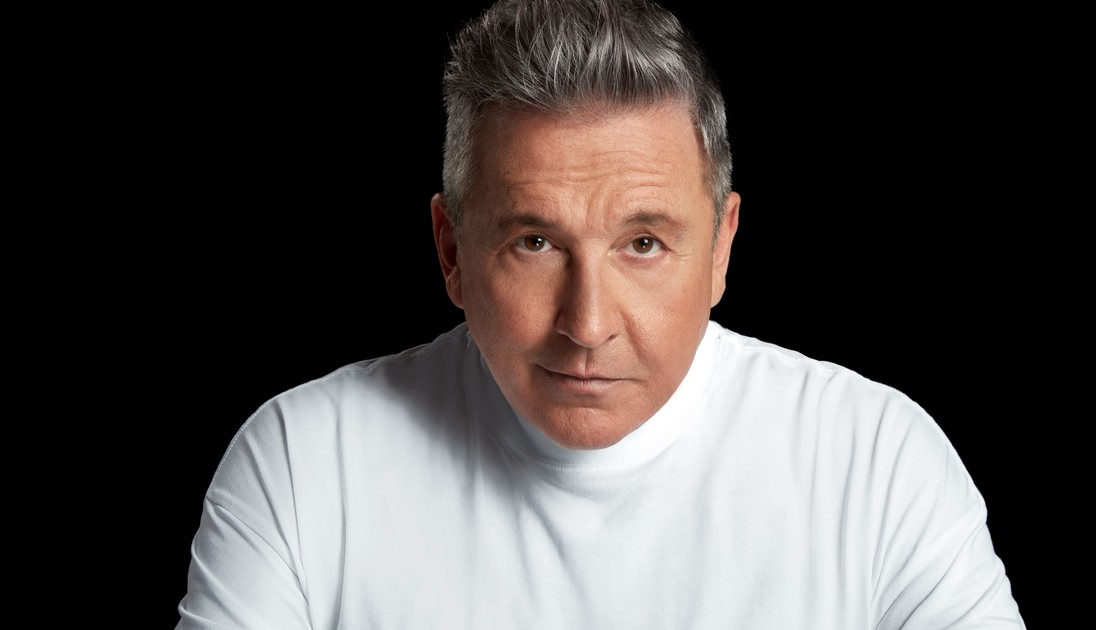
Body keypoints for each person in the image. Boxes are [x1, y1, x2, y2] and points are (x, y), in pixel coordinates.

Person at [176, 0, 1026, 627]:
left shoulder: (876, 462)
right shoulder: (303, 465)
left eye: (643, 243)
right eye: (535, 242)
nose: (586, 326)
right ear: (451, 250)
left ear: (722, 248)